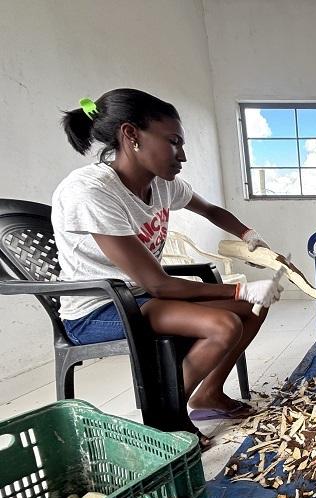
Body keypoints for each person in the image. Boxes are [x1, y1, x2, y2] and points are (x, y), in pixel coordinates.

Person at [53, 88, 283, 446]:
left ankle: (208, 394)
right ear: (131, 135)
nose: (183, 155)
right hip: (100, 308)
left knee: (254, 308)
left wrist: (248, 234)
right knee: (223, 325)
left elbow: (210, 210)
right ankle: (166, 418)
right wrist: (241, 288)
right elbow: (159, 284)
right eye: (173, 142)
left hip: (143, 297)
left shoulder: (162, 184)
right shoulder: (90, 191)